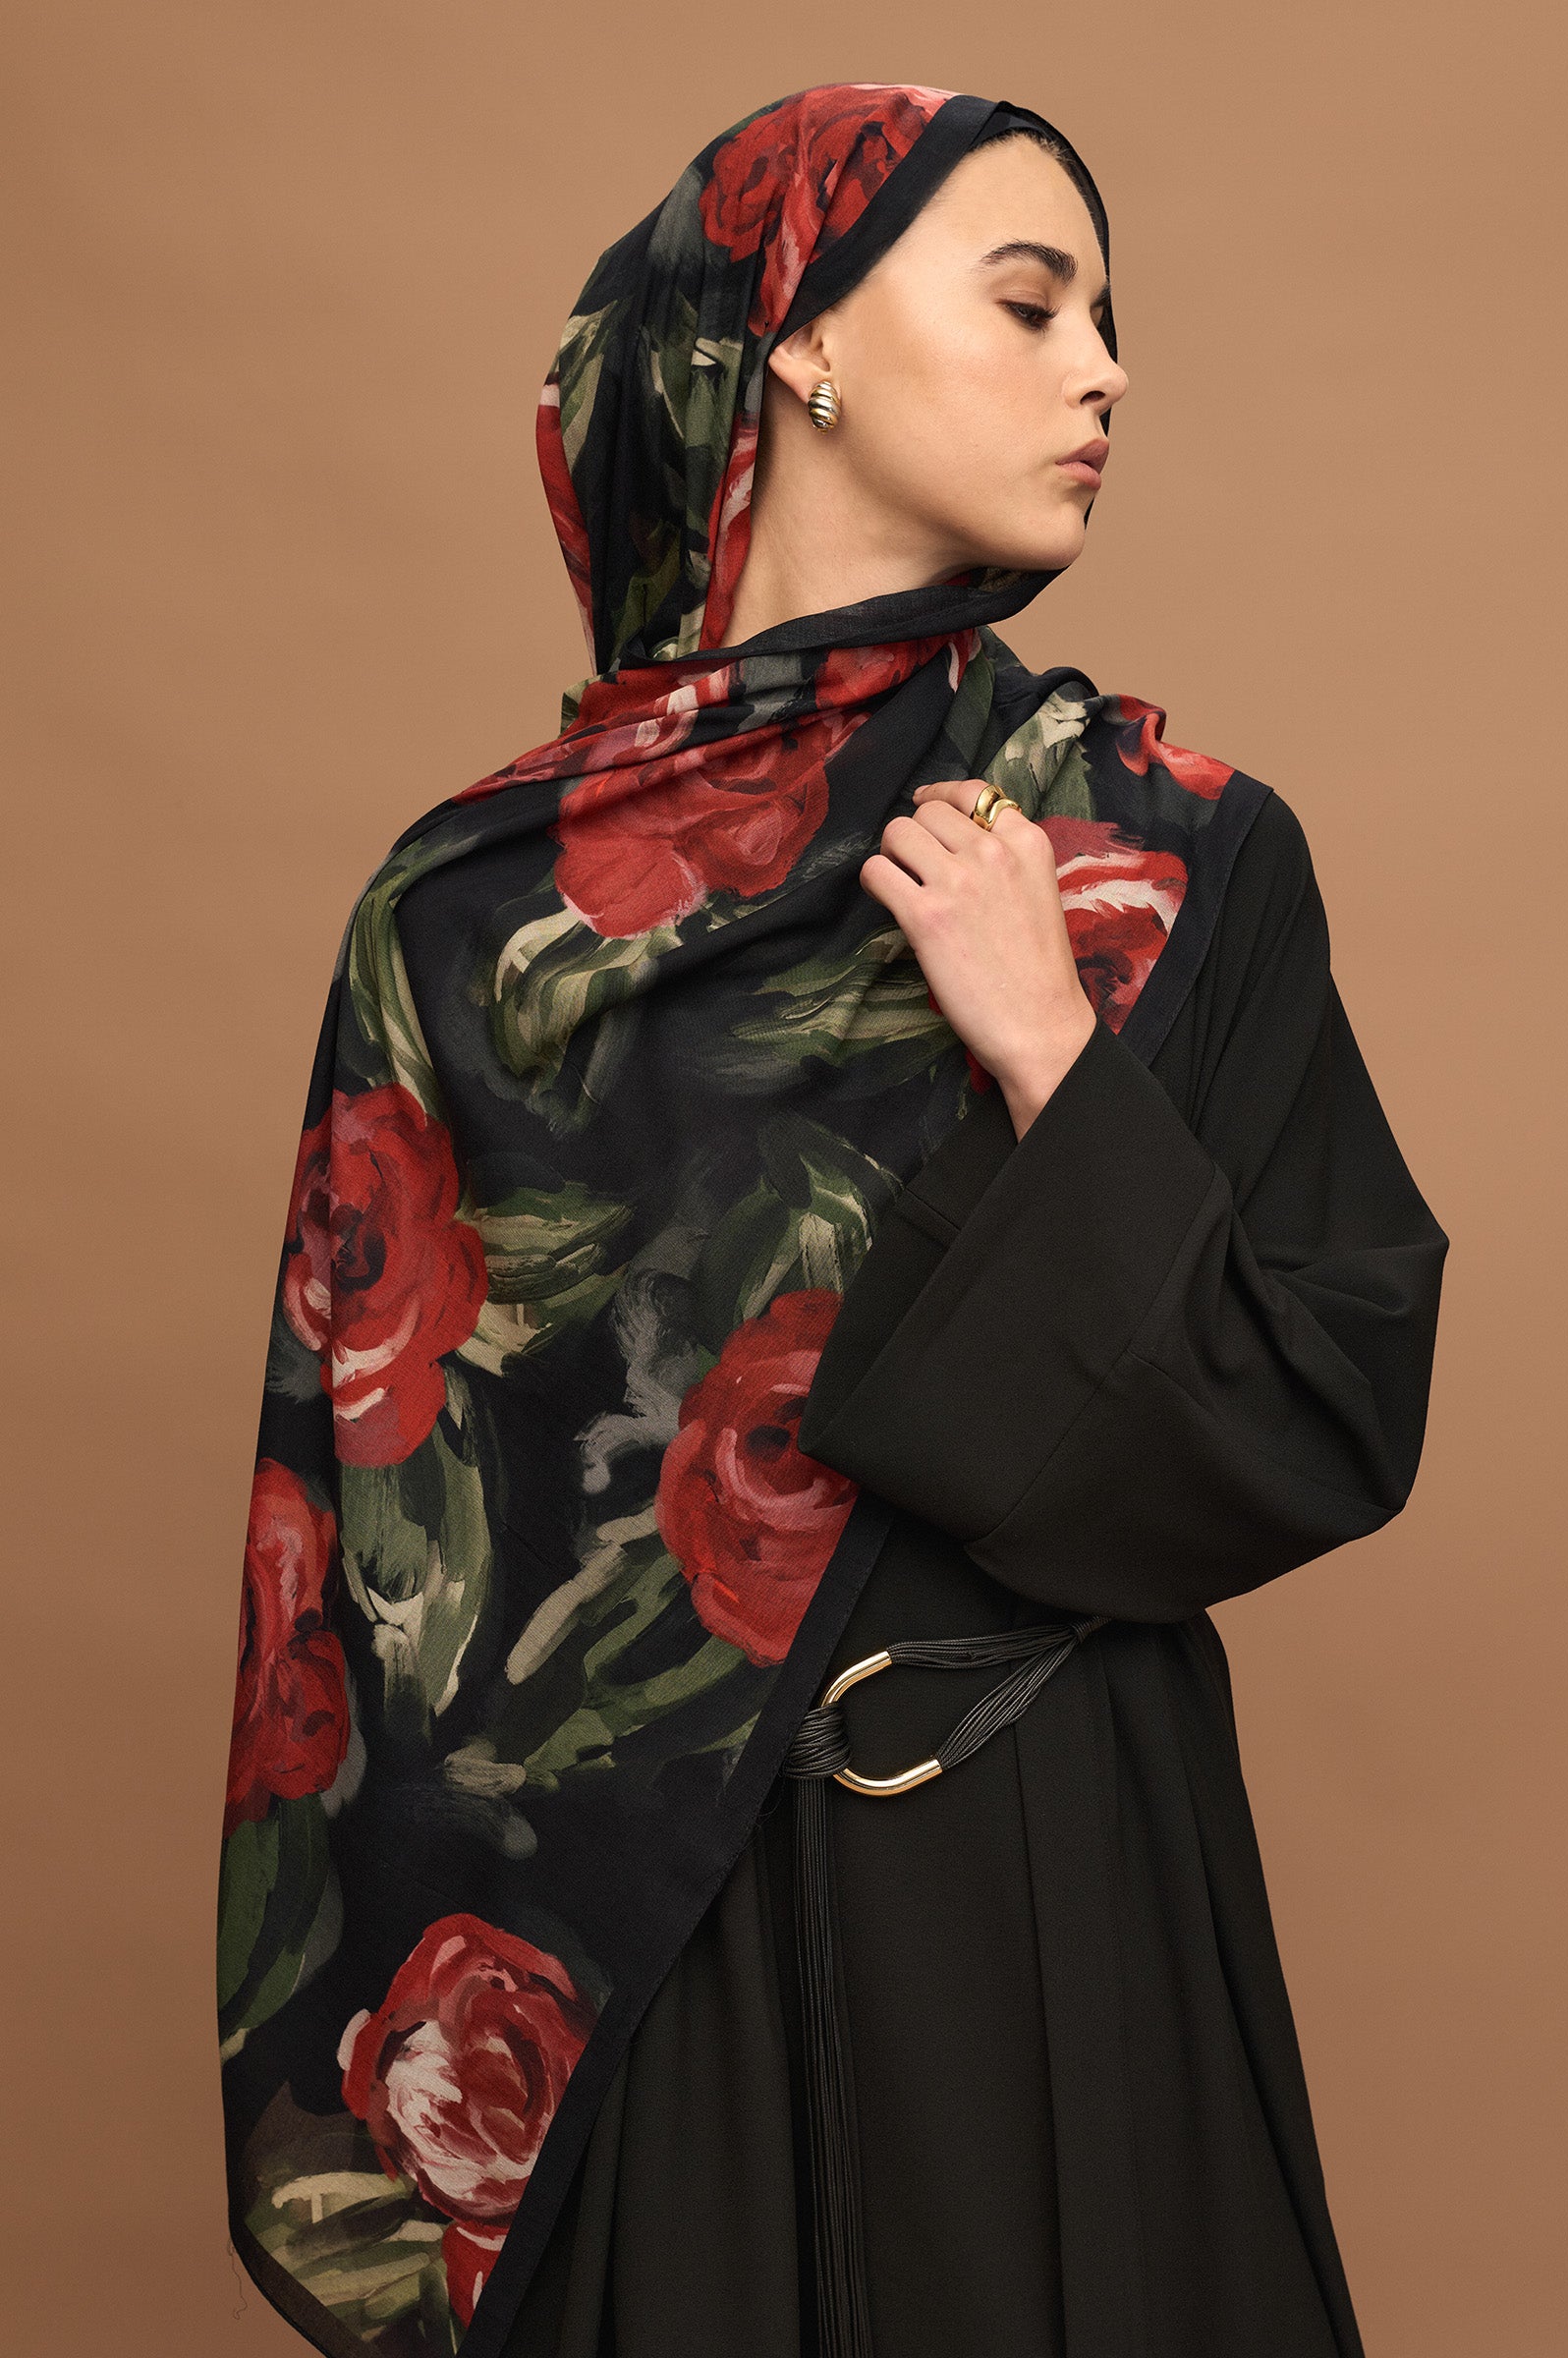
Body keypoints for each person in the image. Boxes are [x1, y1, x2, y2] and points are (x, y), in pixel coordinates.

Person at [216, 85, 1449, 2358]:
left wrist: (1054, 1056)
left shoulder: (1174, 858)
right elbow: (378, 1583)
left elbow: (1318, 1414)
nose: (1104, 371)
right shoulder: (474, 920)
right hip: (628, 1961)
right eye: (1030, 302)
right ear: (801, 342)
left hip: (1050, 1891)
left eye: (1112, 318)